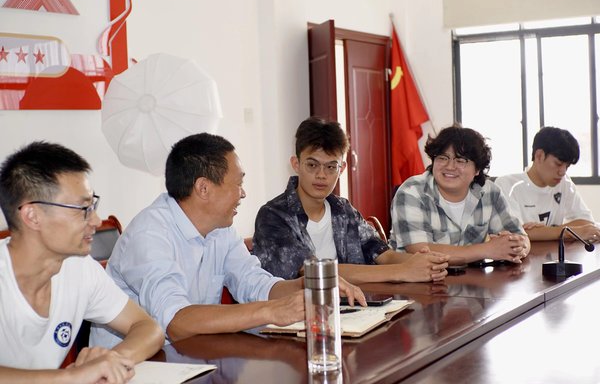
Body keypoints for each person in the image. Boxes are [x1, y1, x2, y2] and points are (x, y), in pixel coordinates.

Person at [90, 133, 365, 347]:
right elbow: (176, 321)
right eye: (238, 183)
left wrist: (309, 286)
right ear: (204, 188)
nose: (243, 193)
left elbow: (254, 282)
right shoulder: (150, 234)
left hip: (194, 356)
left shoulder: (219, 228)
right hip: (136, 369)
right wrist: (270, 311)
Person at [0, 142, 164, 384]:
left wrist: (112, 360)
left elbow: (149, 328)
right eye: (81, 208)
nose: (96, 220)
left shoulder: (78, 266)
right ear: (32, 216)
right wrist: (70, 377)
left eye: (92, 205)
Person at [252, 117, 449, 283]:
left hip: (357, 307)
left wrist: (421, 262)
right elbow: (311, 272)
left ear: (342, 169)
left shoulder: (343, 209)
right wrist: (402, 271)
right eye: (312, 165)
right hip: (299, 313)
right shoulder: (272, 216)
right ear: (296, 164)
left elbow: (383, 254)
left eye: (331, 167)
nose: (321, 175)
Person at [389, 125, 530, 264]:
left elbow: (521, 238)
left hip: (473, 277)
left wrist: (517, 246)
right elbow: (420, 252)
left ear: (477, 169)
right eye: (443, 158)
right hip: (416, 278)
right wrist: (488, 249)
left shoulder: (489, 192)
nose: (450, 166)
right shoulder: (412, 192)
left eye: (460, 160)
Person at [495, 126, 600, 242]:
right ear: (539, 156)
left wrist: (546, 231)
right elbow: (516, 234)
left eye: (567, 166)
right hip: (524, 254)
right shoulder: (507, 185)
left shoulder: (564, 183)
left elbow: (587, 223)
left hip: (555, 252)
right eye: (558, 164)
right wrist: (566, 232)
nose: (563, 172)